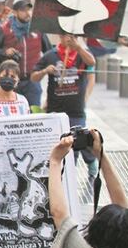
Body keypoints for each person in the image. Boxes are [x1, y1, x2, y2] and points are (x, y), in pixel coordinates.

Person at [33, 33, 97, 177]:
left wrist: (79, 48)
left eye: (73, 36)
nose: (69, 39)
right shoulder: (51, 55)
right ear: (60, 37)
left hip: (76, 109)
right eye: (65, 36)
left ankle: (88, 163)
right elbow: (33, 76)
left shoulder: (83, 54)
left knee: (79, 140)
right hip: (55, 109)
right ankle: (64, 176)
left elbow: (92, 63)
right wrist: (45, 71)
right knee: (60, 144)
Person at [0, 0, 49, 107]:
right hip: (11, 81)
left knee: (33, 115)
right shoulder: (4, 29)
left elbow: (48, 52)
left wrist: (42, 70)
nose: (28, 13)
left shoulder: (38, 28)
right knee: (12, 115)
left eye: (29, 10)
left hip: (32, 82)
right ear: (15, 12)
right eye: (23, 10)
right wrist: (5, 52)